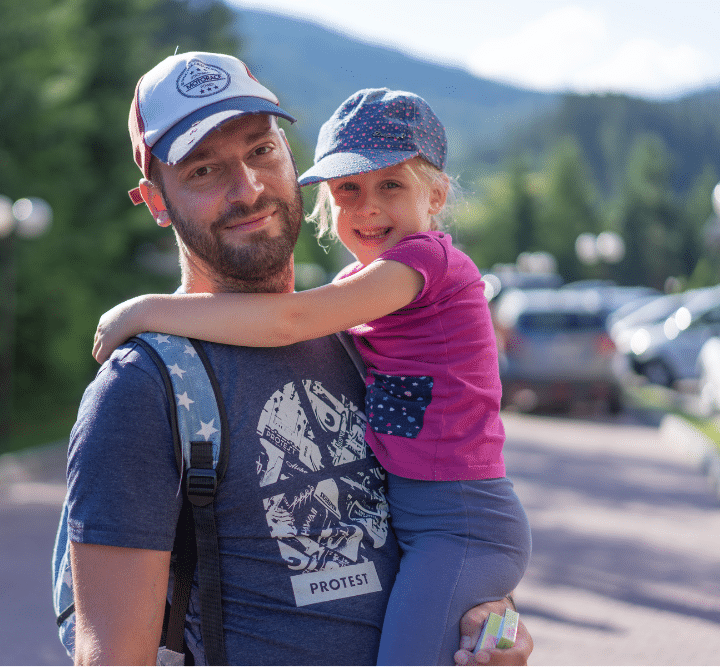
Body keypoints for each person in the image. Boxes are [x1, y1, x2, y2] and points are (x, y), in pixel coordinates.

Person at [69, 51, 533, 665]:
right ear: (156, 202)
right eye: (204, 170)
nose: (249, 188)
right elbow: (111, 654)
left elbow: (436, 534)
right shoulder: (145, 387)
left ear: (292, 161)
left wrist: (489, 632)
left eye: (262, 151)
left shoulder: (359, 336)